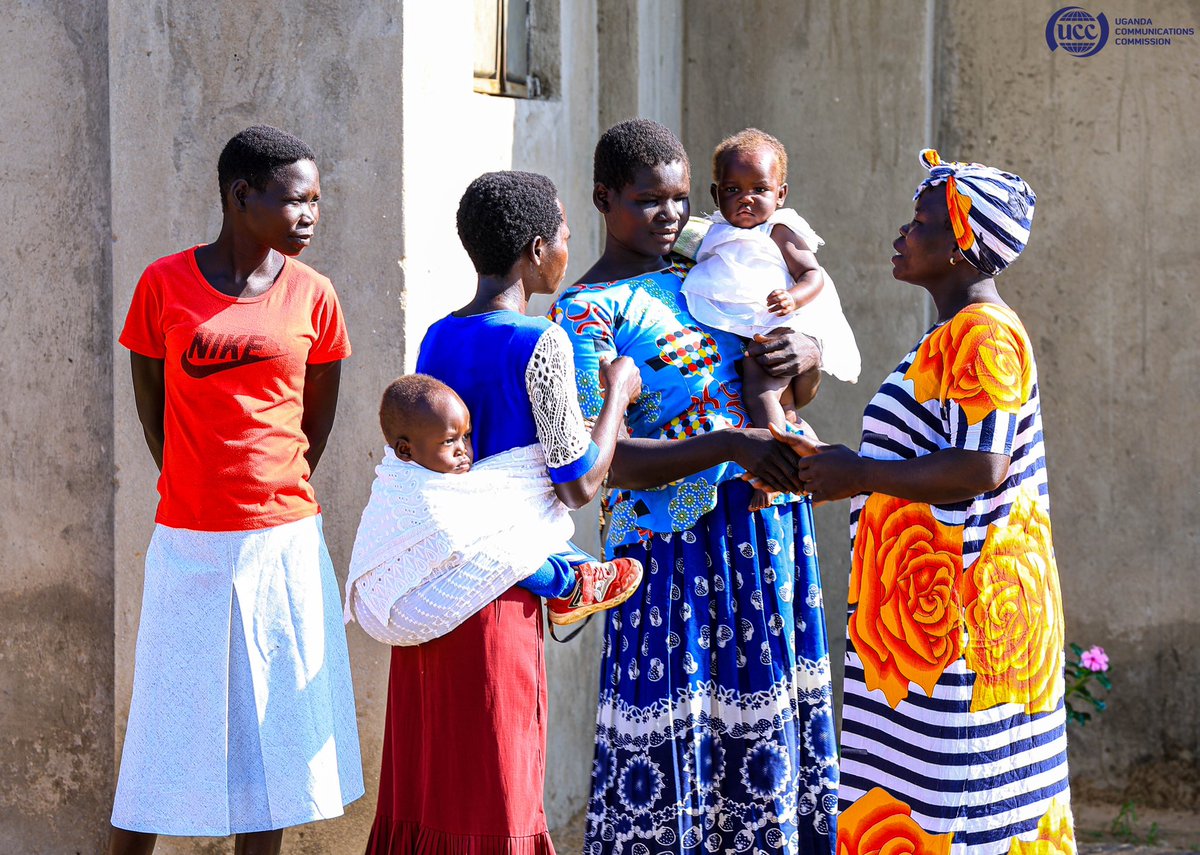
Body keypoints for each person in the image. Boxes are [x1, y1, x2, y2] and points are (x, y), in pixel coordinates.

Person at [550, 118, 839, 855]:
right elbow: (598, 458)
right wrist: (726, 444)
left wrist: (806, 347)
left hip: (763, 527)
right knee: (674, 725)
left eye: (679, 200)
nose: (671, 216)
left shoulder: (710, 265)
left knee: (763, 721)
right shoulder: (584, 312)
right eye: (650, 201)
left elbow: (790, 382)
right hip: (668, 553)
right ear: (602, 198)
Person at [774, 150, 1076, 853]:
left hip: (967, 631)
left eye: (921, 222)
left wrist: (860, 475)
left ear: (963, 244)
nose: (902, 234)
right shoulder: (948, 335)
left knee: (959, 807)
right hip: (923, 635)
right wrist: (836, 469)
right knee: (925, 800)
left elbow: (981, 465)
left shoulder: (985, 334)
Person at [365, 170, 643, 854]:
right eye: (566, 241)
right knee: (496, 784)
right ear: (537, 247)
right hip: (496, 599)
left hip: (436, 587)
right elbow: (576, 480)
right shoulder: (539, 341)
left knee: (431, 783)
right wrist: (616, 395)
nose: (567, 254)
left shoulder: (438, 337)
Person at [110, 126, 362, 855]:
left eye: (317, 201)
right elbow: (153, 407)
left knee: (274, 738)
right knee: (163, 729)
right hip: (187, 540)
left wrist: (264, 490)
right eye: (295, 201)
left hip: (284, 541)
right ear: (240, 195)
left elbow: (314, 422)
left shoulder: (316, 296)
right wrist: (196, 484)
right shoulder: (163, 284)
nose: (310, 215)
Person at [342, 372, 641, 646]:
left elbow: (500, 486)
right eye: (449, 441)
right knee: (502, 549)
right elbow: (443, 533)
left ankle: (581, 568)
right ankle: (569, 587)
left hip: (403, 598)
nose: (463, 449)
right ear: (405, 450)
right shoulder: (403, 487)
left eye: (466, 436)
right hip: (395, 611)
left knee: (507, 521)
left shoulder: (438, 473)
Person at [681, 128, 861, 433]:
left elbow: (812, 274)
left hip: (776, 324)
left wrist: (794, 297)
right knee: (778, 393)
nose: (746, 199)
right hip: (745, 323)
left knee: (760, 382)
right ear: (716, 194)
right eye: (732, 190)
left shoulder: (779, 230)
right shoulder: (713, 231)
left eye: (759, 190)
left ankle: (776, 442)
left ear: (780, 194)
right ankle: (790, 422)